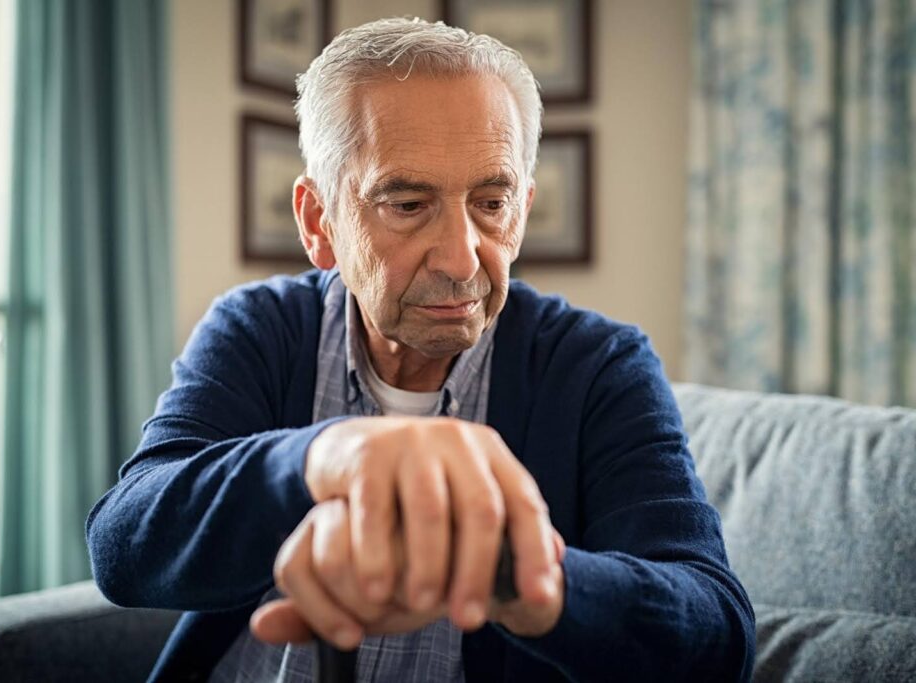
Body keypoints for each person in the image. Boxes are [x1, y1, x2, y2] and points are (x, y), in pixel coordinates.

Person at [86, 17, 755, 682]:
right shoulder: (260, 328)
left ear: (521, 209)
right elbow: (125, 546)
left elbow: (717, 633)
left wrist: (508, 568)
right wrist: (329, 455)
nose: (463, 258)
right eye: (408, 203)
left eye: (491, 201)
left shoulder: (598, 367)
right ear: (319, 222)